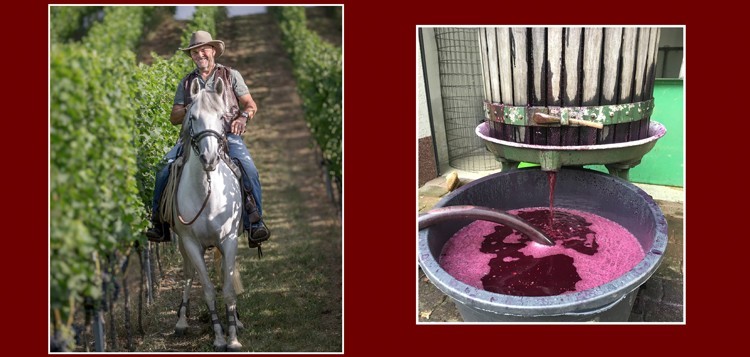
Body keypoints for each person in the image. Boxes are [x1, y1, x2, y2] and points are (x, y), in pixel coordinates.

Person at [145, 30, 270, 246]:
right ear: (192, 56)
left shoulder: (231, 75)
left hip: (227, 135)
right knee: (164, 168)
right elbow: (174, 117)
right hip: (193, 138)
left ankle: (255, 222)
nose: (199, 54)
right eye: (195, 51)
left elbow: (250, 105)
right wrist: (191, 108)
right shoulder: (186, 83)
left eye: (203, 49)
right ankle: (159, 223)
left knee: (249, 169)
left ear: (213, 51)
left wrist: (242, 117)